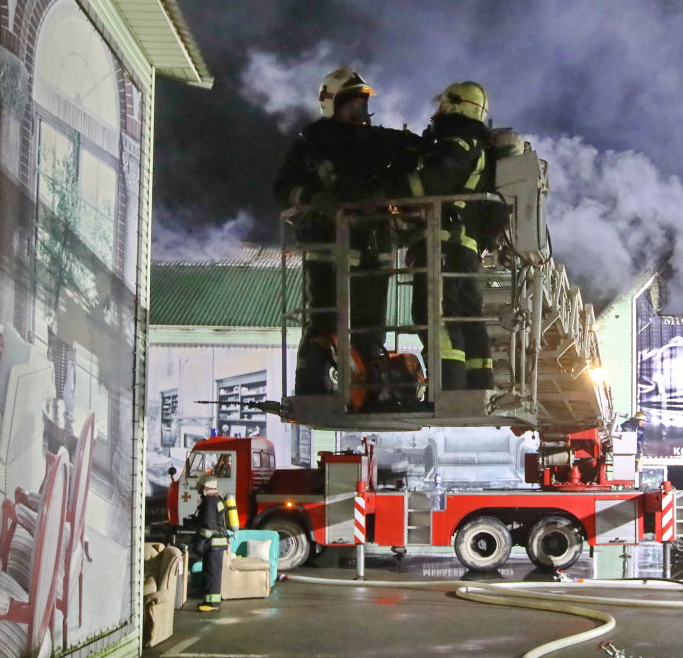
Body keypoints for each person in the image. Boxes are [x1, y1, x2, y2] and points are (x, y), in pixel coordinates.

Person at [275, 67, 421, 394]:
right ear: (332, 104)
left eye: (363, 104)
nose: (360, 111)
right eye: (351, 104)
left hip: (373, 246)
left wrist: (387, 185)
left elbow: (415, 149)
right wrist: (315, 199)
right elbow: (283, 189)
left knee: (370, 330)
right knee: (324, 324)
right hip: (328, 248)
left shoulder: (378, 139)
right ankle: (313, 387)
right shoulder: (312, 141)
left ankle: (370, 389)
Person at [402, 81, 496, 390]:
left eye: (442, 105)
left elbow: (431, 182)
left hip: (442, 242)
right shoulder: (478, 143)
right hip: (462, 246)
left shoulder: (457, 140)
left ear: (456, 105)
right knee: (465, 316)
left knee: (435, 315)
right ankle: (477, 383)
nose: (436, 112)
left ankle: (448, 388)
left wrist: (389, 190)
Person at [186, 473, 239, 613]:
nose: (197, 487)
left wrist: (199, 542)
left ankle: (212, 604)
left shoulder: (210, 501)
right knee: (211, 572)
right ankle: (209, 601)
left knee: (212, 573)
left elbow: (208, 526)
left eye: (199, 485)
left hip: (213, 544)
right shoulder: (216, 498)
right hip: (216, 543)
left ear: (205, 486)